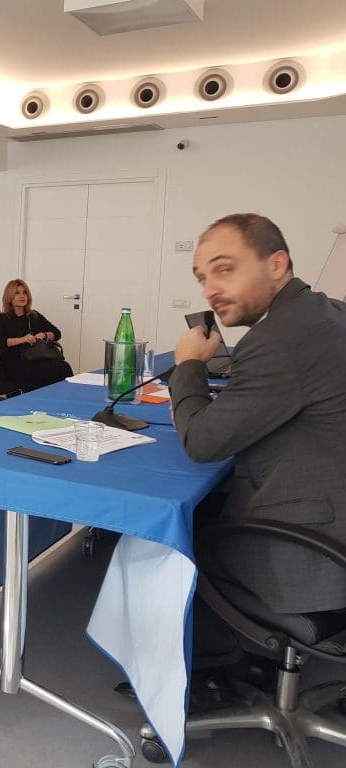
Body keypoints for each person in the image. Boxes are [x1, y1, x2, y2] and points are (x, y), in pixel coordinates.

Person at [170, 213, 346, 617]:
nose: (210, 290)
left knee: (162, 544)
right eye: (202, 279)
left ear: (276, 264)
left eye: (225, 270)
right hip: (332, 514)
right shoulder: (326, 312)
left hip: (310, 551)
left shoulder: (276, 340)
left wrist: (189, 364)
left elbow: (201, 443)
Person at [0, 279, 72, 391]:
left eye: (25, 293)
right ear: (10, 297)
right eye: (17, 293)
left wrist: (44, 335)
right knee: (56, 370)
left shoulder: (34, 316)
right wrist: (22, 339)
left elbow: (57, 333)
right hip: (16, 363)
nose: (22, 296)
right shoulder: (4, 318)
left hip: (38, 359)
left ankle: (67, 397)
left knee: (63, 366)